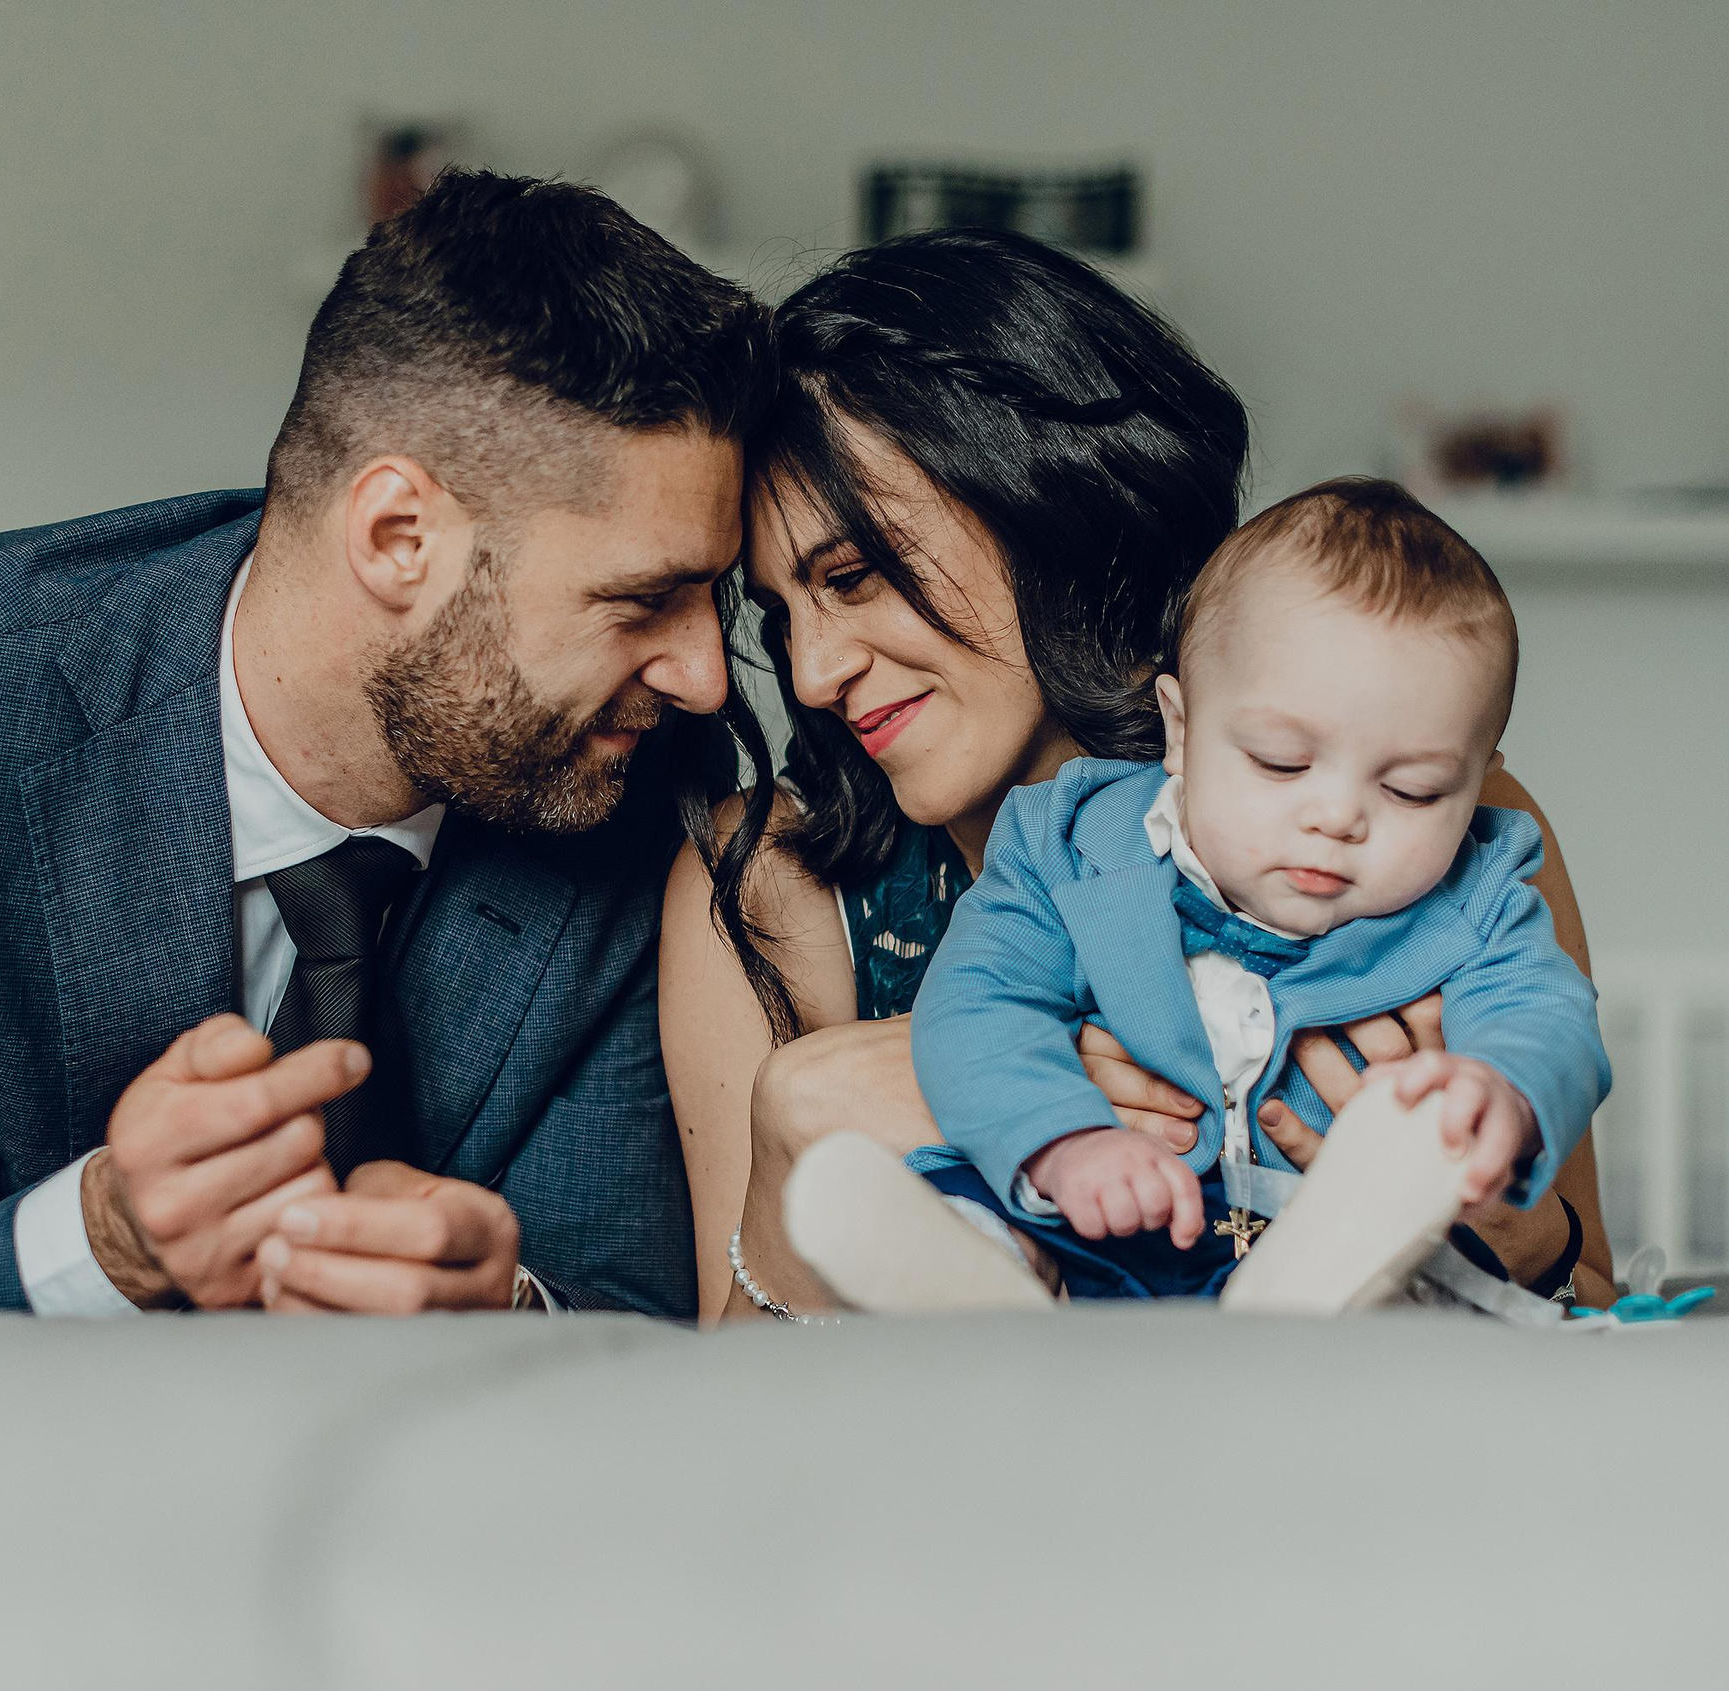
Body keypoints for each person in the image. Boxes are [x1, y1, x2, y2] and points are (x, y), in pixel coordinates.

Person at [0, 170, 772, 1316]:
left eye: (708, 600)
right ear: (400, 535)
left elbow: (618, 1294)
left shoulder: (626, 774)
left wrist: (499, 1305)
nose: (706, 678)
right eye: (638, 600)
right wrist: (103, 1240)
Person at [661, 228, 1614, 1324]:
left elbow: (1579, 1293)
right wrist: (793, 1132)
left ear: (1044, 502)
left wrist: (1474, 1200)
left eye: (856, 574)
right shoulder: (766, 881)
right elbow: (723, 1416)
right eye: (782, 616)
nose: (815, 672)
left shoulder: (1434, 826)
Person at [790, 477, 1612, 1307]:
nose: (1336, 817)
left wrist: (1503, 1088)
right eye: (1282, 764)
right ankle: (979, 1289)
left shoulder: (1477, 893)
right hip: (1091, 1227)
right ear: (1180, 730)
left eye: (1413, 790)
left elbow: (1549, 1012)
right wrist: (1061, 1141)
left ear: (1478, 785)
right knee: (978, 1203)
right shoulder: (1068, 844)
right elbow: (975, 1001)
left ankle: (1306, 1301)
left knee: (1414, 1245)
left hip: (1325, 1238)